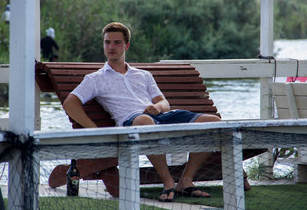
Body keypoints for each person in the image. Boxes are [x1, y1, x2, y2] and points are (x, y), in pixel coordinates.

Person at [62, 22, 222, 202]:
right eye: (107, 42)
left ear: (126, 46)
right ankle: (168, 182)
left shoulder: (143, 75)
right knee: (145, 121)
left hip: (161, 116)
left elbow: (164, 102)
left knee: (213, 122)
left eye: (116, 42)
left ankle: (185, 181)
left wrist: (158, 107)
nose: (111, 47)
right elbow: (70, 103)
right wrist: (93, 129)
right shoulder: (95, 79)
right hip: (133, 123)